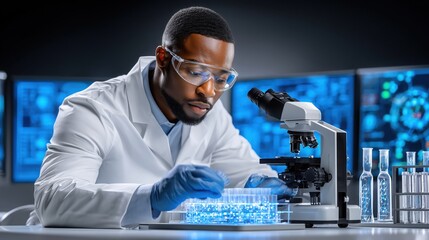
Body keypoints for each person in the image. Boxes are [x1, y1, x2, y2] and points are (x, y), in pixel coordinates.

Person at [27, 6, 296, 229]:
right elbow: (52, 201)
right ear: (163, 58)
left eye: (221, 78)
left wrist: (263, 183)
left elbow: (244, 170)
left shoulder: (210, 115)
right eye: (196, 72)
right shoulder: (93, 109)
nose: (209, 91)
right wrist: (153, 197)